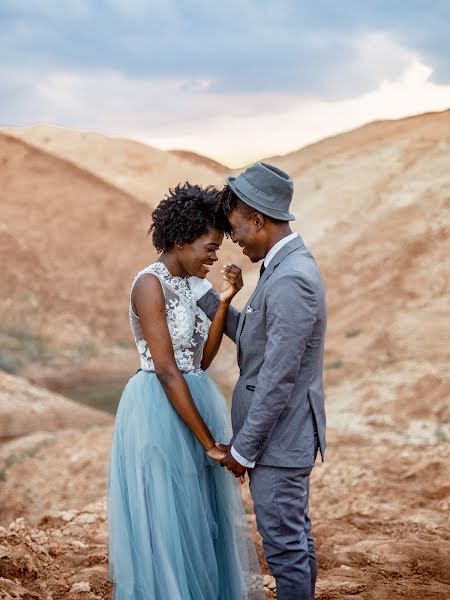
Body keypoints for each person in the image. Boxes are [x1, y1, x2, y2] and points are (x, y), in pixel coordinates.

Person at [107, 183, 264, 600]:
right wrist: (208, 443)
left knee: (199, 514)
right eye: (209, 248)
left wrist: (227, 299)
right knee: (167, 514)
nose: (214, 258)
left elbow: (203, 360)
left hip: (194, 395)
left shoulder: (196, 287)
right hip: (158, 406)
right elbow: (166, 369)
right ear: (179, 239)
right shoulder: (149, 284)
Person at [197, 162, 327, 600]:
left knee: (286, 548)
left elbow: (277, 378)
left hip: (278, 440)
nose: (233, 239)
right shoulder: (279, 268)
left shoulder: (292, 278)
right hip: (278, 437)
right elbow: (256, 340)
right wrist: (205, 296)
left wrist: (243, 451)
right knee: (294, 539)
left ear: (258, 219)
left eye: (235, 228)